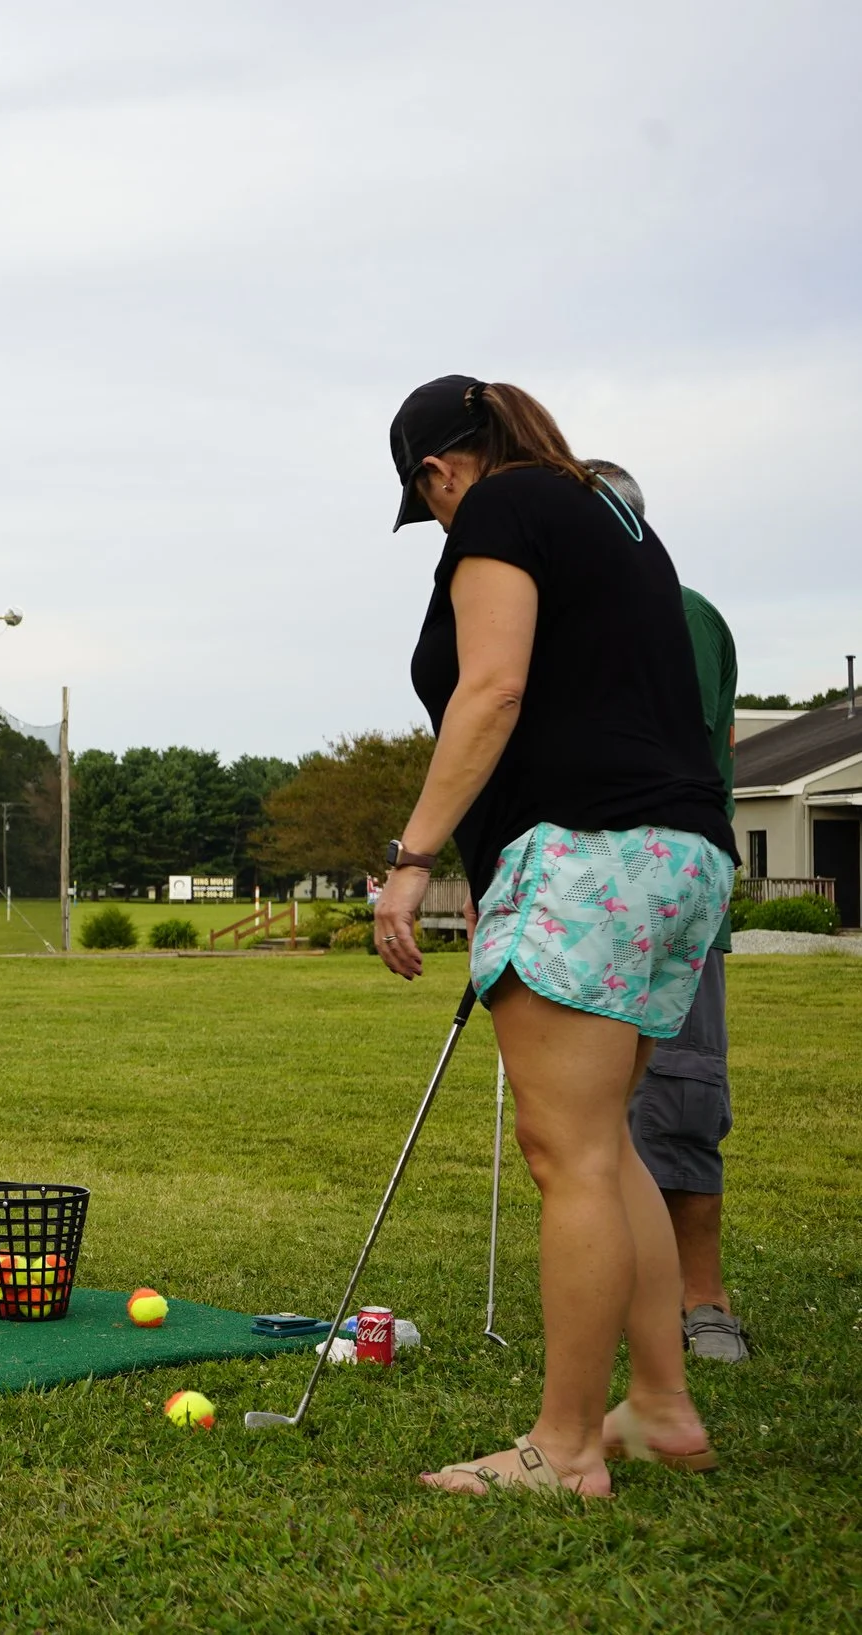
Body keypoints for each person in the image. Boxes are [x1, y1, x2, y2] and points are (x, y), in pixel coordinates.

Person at [371, 377, 734, 1497]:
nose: (436, 522)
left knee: (564, 1152)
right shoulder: (610, 514)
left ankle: (565, 1446)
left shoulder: (499, 510)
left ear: (439, 470)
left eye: (424, 502)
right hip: (681, 857)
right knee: (605, 1139)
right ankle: (660, 1407)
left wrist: (413, 860)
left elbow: (492, 688)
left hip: (587, 851)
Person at [587, 461, 749, 1364]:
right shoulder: (566, 618)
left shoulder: (681, 614)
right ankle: (619, 1296)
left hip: (670, 896)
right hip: (585, 898)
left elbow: (688, 749)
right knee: (591, 1114)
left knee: (680, 1095)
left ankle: (703, 1298)